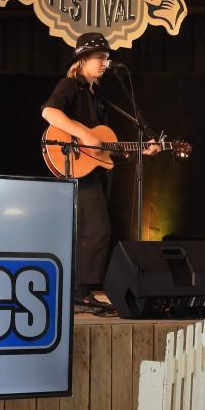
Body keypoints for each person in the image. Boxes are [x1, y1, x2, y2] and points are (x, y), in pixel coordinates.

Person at [41, 32, 157, 308]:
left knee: (91, 230)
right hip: (74, 167)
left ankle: (79, 291)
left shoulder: (99, 96)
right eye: (100, 58)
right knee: (96, 229)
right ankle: (79, 292)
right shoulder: (70, 85)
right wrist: (83, 133)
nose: (105, 63)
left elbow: (102, 144)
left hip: (93, 170)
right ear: (82, 60)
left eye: (106, 58)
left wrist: (137, 149)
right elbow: (49, 112)